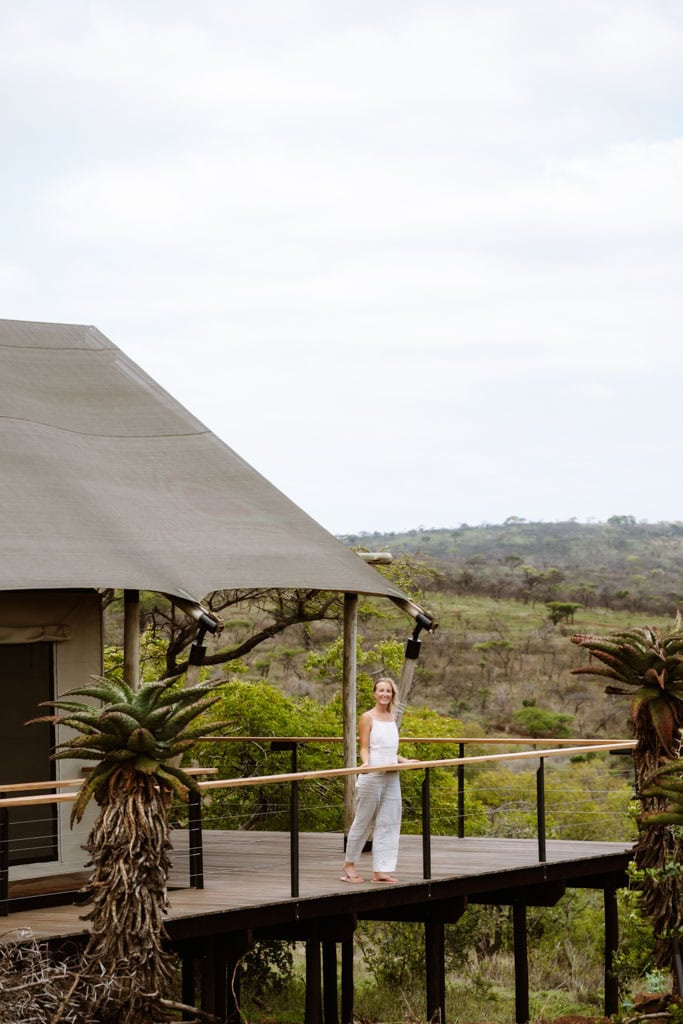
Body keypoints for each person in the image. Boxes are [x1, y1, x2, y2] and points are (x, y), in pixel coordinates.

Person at [340, 676, 417, 884]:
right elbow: (365, 747)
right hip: (372, 775)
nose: (385, 694)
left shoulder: (392, 717)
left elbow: (390, 750)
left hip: (392, 776)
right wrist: (366, 764)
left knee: (389, 822)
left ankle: (381, 870)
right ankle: (349, 865)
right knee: (363, 821)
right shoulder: (367, 717)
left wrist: (404, 760)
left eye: (388, 691)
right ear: (374, 694)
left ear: (392, 695)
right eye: (381, 690)